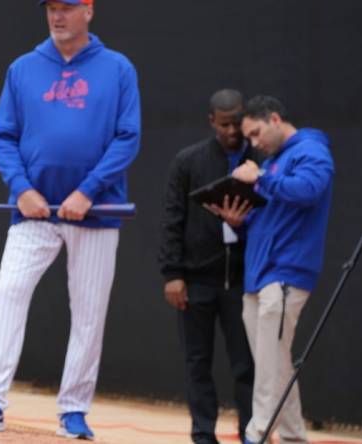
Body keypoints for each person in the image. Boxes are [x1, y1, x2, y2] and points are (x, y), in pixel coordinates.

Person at [0, 0, 141, 439]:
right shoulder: (23, 68)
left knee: (89, 314)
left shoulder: (118, 68)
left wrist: (88, 191)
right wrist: (22, 188)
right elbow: (3, 136)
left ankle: (74, 409)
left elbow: (127, 138)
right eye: (51, 7)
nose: (57, 15)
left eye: (67, 7)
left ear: (88, 11)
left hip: (97, 211)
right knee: (9, 293)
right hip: (32, 209)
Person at [209, 96, 334, 444]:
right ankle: (294, 436)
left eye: (255, 133)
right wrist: (239, 221)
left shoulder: (310, 149)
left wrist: (259, 177)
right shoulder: (276, 161)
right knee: (275, 362)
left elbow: (310, 189)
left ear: (276, 119)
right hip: (261, 274)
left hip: (285, 273)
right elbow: (272, 215)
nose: (253, 143)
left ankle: (258, 433)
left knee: (269, 363)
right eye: (249, 138)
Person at [158, 89, 257, 444]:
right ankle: (203, 435)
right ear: (212, 121)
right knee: (197, 363)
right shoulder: (189, 161)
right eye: (224, 124)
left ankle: (252, 433)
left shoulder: (259, 158)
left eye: (237, 123)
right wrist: (173, 274)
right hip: (197, 278)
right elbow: (172, 218)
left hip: (244, 279)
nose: (232, 131)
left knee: (246, 364)